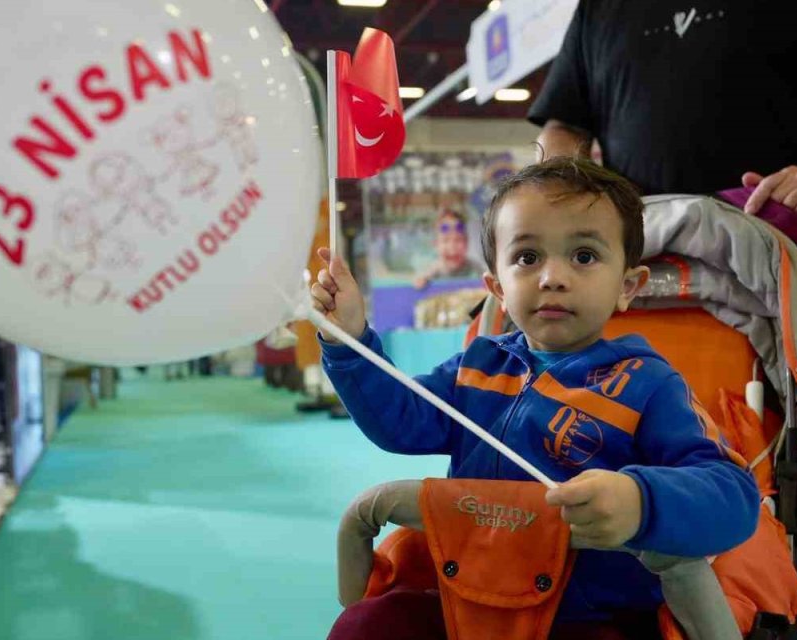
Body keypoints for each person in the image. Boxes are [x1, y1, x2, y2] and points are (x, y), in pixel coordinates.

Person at [527, 4, 797, 635]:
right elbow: (565, 123)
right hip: (630, 300)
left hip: (794, 303)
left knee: (792, 504)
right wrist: (565, 200)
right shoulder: (604, 8)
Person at [312, 158, 760, 637]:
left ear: (628, 287)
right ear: (497, 289)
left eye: (584, 256)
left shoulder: (648, 385)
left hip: (591, 617)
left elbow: (733, 494)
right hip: (469, 594)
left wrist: (641, 501)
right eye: (528, 258)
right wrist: (350, 341)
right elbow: (398, 420)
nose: (552, 277)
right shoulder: (477, 368)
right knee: (368, 624)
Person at [412, 209, 483, 289]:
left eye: (458, 240)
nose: (452, 246)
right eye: (445, 241)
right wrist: (421, 280)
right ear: (436, 245)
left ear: (467, 244)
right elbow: (418, 281)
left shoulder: (475, 268)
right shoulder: (432, 270)